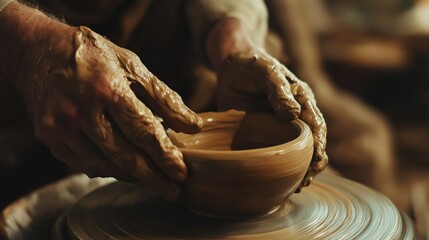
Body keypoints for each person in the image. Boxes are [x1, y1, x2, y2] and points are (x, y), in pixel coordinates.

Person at [0, 0, 327, 201]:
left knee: (365, 146)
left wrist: (232, 41)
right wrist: (27, 44)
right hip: (15, 103)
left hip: (177, 55)